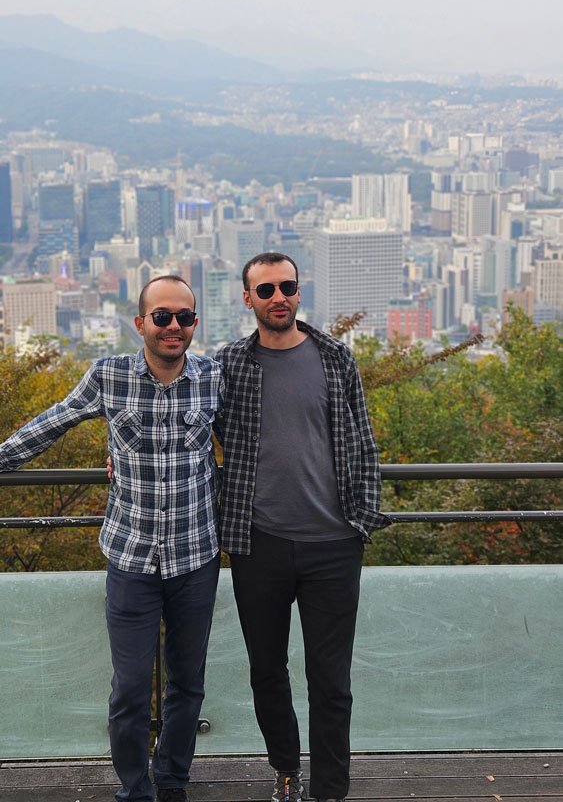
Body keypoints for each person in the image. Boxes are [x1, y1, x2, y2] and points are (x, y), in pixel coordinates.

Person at [0, 275, 222, 802]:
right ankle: (135, 789)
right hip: (131, 557)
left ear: (195, 324)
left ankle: (172, 782)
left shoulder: (214, 376)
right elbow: (53, 422)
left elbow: (251, 443)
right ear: (140, 322)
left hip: (196, 555)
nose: (174, 327)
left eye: (185, 317)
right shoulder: (109, 376)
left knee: (187, 684)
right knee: (128, 689)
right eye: (162, 317)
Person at [214, 252, 390, 802]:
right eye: (265, 290)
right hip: (257, 542)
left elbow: (362, 443)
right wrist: (123, 453)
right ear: (248, 300)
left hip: (333, 544)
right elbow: (189, 425)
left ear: (299, 290)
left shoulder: (336, 357)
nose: (278, 297)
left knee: (331, 681)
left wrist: (360, 521)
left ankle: (331, 790)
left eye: (287, 286)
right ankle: (286, 770)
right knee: (267, 669)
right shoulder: (229, 365)